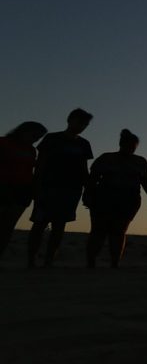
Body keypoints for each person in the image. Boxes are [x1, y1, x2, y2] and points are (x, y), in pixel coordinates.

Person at [28, 108, 94, 267]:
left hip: (71, 190)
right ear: (70, 120)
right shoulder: (52, 139)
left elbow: (83, 169)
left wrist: (88, 190)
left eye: (85, 124)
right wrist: (36, 185)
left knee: (59, 225)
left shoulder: (83, 144)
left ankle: (49, 260)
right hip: (48, 187)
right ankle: (31, 259)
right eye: (79, 122)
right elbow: (40, 164)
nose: (81, 126)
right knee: (39, 223)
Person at [84, 129, 147, 267]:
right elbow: (92, 178)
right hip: (104, 199)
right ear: (121, 144)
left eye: (133, 147)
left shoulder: (140, 162)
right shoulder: (106, 158)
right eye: (127, 145)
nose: (130, 149)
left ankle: (115, 263)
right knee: (99, 230)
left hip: (128, 201)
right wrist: (87, 195)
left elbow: (146, 181)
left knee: (119, 231)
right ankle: (91, 262)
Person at [0, 121, 47, 260]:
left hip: (22, 190)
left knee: (8, 227)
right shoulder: (3, 143)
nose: (35, 139)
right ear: (23, 131)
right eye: (34, 135)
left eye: (38, 137)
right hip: (3, 187)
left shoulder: (31, 150)